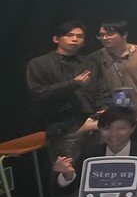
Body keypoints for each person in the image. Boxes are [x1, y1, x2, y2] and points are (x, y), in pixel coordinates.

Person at [90, 21, 137, 151]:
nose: (105, 38)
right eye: (101, 35)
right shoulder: (96, 58)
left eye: (110, 34)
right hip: (113, 118)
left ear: (124, 34)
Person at [26, 21, 95, 161]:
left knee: (93, 166)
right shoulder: (39, 63)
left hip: (92, 123)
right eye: (69, 35)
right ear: (56, 39)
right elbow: (38, 92)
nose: (75, 39)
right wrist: (72, 84)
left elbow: (101, 89)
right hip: (61, 127)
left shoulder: (89, 63)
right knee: (67, 168)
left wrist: (102, 111)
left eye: (79, 36)